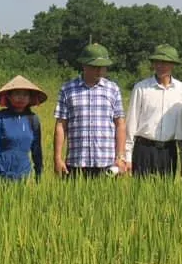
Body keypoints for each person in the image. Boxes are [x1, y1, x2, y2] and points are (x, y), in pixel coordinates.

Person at [53, 43, 127, 178]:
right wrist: (57, 158)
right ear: (84, 65)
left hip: (107, 163)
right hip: (76, 162)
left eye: (102, 67)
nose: (99, 71)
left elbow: (120, 124)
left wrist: (121, 156)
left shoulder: (113, 89)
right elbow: (61, 125)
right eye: (94, 67)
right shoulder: (68, 89)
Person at [125, 44, 182, 177]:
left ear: (172, 65)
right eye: (157, 62)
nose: (160, 66)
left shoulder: (181, 90)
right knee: (140, 192)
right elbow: (131, 123)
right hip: (144, 149)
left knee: (165, 194)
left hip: (168, 151)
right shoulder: (141, 88)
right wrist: (127, 157)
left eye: (164, 63)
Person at [0, 75, 45, 181]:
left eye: (25, 94)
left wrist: (39, 174)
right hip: (3, 174)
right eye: (17, 93)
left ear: (30, 98)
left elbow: (37, 150)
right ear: (9, 96)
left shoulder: (33, 119)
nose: (21, 98)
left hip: (25, 175)